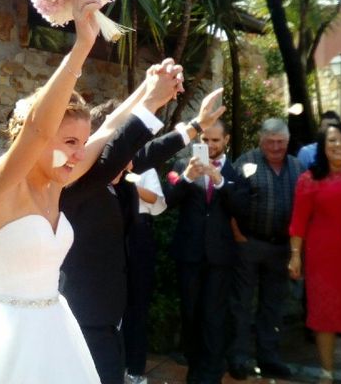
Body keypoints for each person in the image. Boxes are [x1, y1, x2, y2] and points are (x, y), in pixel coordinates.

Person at [0, 0, 182, 383]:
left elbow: (107, 130)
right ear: (34, 141)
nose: (77, 154)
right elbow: (39, 128)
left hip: (56, 332)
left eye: (79, 143)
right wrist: (82, 45)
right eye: (68, 142)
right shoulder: (3, 181)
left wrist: (149, 92)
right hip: (5, 339)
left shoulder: (60, 180)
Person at [60, 88, 225, 384]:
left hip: (112, 313)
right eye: (122, 150)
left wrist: (196, 126)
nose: (129, 161)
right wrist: (150, 100)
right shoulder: (77, 186)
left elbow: (144, 156)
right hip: (82, 314)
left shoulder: (120, 184)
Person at [288, 122, 341, 382]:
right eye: (332, 141)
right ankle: (326, 373)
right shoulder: (309, 178)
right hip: (321, 257)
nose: (338, 145)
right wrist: (295, 255)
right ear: (323, 148)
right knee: (323, 314)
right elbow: (298, 221)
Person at [164, 120, 246, 384]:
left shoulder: (235, 171)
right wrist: (188, 176)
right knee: (191, 312)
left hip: (220, 255)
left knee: (214, 314)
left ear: (226, 141)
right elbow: (168, 201)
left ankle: (211, 373)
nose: (210, 146)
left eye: (215, 141)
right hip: (189, 253)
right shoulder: (181, 167)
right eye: (205, 140)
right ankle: (194, 367)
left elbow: (242, 208)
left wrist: (219, 180)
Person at [228, 118, 303, 380]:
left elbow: (304, 209)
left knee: (273, 306)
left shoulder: (297, 166)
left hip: (281, 247)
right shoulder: (246, 162)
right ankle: (238, 358)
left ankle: (269, 359)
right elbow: (229, 200)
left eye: (280, 142)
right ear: (261, 140)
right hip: (249, 244)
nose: (275, 147)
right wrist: (238, 235)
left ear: (287, 141)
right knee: (241, 305)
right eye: (270, 142)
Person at [122, 166, 167, 384]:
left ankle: (135, 369)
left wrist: (128, 183)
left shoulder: (146, 167)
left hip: (139, 235)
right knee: (111, 302)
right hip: (110, 232)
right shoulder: (104, 162)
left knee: (138, 305)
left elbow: (158, 203)